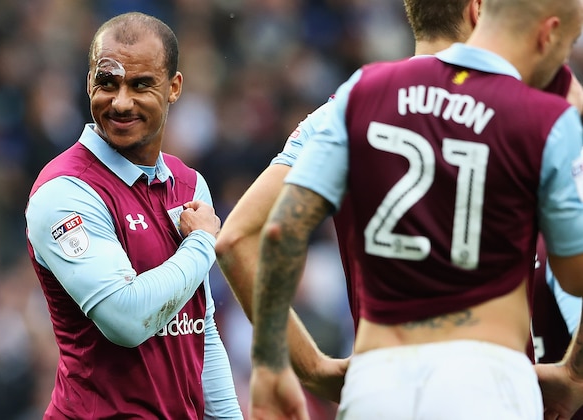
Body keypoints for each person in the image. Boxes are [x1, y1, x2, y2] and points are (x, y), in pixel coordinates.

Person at [216, 0, 583, 406]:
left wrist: (303, 367)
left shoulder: (356, 97)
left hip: (377, 384)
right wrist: (574, 374)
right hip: (488, 382)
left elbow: (238, 238)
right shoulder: (542, 117)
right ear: (480, 9)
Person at [25, 12, 242, 419]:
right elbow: (125, 319)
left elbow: (199, 325)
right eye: (108, 83)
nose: (121, 102)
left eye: (141, 84)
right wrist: (200, 244)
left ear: (174, 88)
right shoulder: (65, 191)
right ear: (90, 81)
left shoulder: (189, 183)